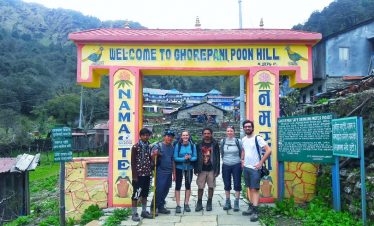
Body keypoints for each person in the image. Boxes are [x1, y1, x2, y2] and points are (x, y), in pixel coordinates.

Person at [241, 120, 271, 222]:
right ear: (243, 128)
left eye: (249, 126)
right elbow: (244, 150)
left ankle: (255, 211)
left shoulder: (257, 138)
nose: (247, 128)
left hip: (255, 168)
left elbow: (268, 150)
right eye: (245, 127)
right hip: (246, 167)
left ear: (252, 128)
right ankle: (251, 206)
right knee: (249, 188)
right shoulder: (244, 139)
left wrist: (261, 162)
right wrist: (242, 160)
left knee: (255, 189)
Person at [194, 127, 220, 212]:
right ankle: (199, 202)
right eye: (205, 133)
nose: (206, 135)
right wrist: (196, 169)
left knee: (211, 187)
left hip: (211, 169)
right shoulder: (199, 144)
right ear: (202, 134)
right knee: (200, 187)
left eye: (208, 133)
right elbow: (196, 157)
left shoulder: (215, 144)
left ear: (211, 134)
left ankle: (209, 202)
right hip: (201, 169)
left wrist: (217, 170)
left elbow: (218, 157)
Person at [130, 128, 154, 221]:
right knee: (136, 194)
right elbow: (133, 162)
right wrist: (134, 176)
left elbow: (151, 159)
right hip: (138, 175)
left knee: (145, 194)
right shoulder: (135, 147)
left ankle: (144, 211)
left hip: (147, 174)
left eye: (147, 135)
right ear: (140, 136)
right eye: (143, 135)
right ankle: (134, 213)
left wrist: (153, 159)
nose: (145, 137)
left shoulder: (150, 146)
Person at [151, 130, 176, 215]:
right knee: (159, 190)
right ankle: (153, 207)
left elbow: (173, 160)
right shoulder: (158, 146)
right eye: (168, 136)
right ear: (164, 137)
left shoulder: (172, 147)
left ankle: (161, 206)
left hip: (169, 172)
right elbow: (152, 157)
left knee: (166, 190)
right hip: (160, 171)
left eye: (171, 136)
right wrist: (155, 154)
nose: (169, 138)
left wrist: (174, 173)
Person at [220, 125, 244, 212]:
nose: (229, 132)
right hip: (226, 164)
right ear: (226, 132)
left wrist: (242, 160)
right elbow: (222, 151)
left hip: (236, 164)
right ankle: (228, 201)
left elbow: (242, 151)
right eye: (228, 131)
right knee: (227, 183)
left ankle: (236, 202)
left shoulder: (238, 141)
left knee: (237, 183)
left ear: (234, 132)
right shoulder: (223, 141)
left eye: (231, 131)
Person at [173, 130, 197, 213]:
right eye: (184, 135)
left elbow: (195, 157)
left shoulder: (192, 145)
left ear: (189, 136)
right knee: (178, 185)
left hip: (189, 168)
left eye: (187, 135)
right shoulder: (178, 145)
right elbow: (175, 157)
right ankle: (178, 205)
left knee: (188, 185)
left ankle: (186, 203)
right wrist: (184, 158)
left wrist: (190, 158)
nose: (185, 137)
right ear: (181, 137)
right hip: (179, 167)